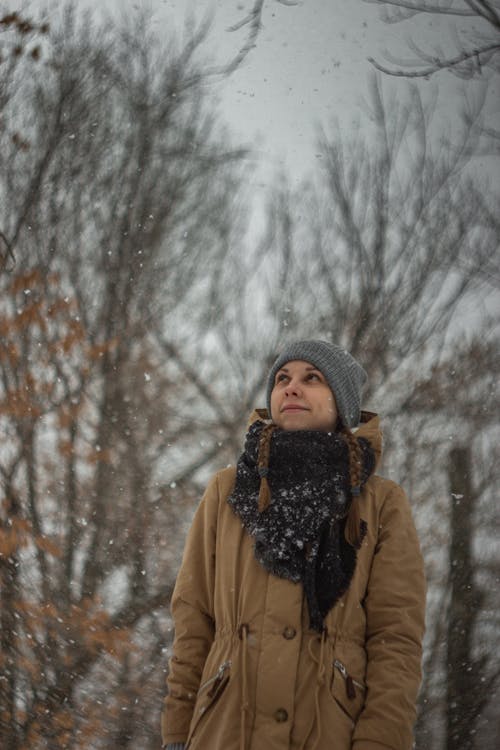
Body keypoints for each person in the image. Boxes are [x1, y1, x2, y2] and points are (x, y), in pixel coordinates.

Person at [161, 340, 426, 750]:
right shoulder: (227, 490)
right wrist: (177, 730)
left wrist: (381, 739)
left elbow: (396, 639)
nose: (292, 387)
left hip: (332, 729)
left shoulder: (381, 502)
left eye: (312, 378)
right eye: (282, 378)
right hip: (223, 729)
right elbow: (193, 618)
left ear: (343, 404)